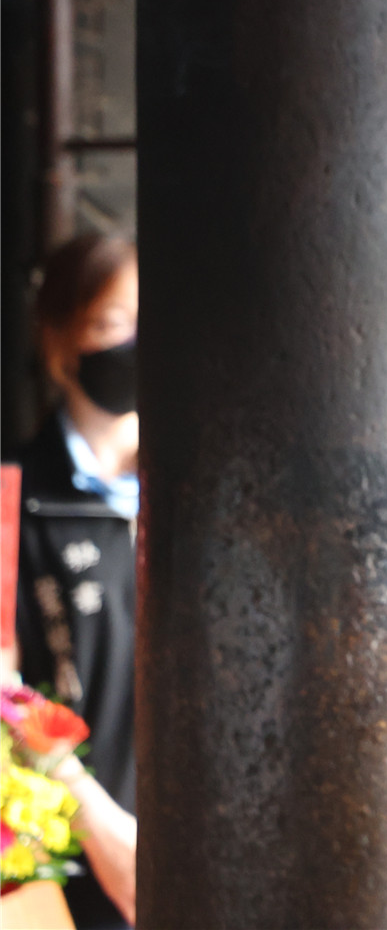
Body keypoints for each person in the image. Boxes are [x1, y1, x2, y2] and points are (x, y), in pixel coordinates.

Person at [7, 234, 141, 927]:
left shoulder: (204, 487)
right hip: (79, 870)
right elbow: (5, 685)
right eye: (112, 323)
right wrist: (101, 826)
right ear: (59, 342)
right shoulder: (15, 497)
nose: (136, 345)